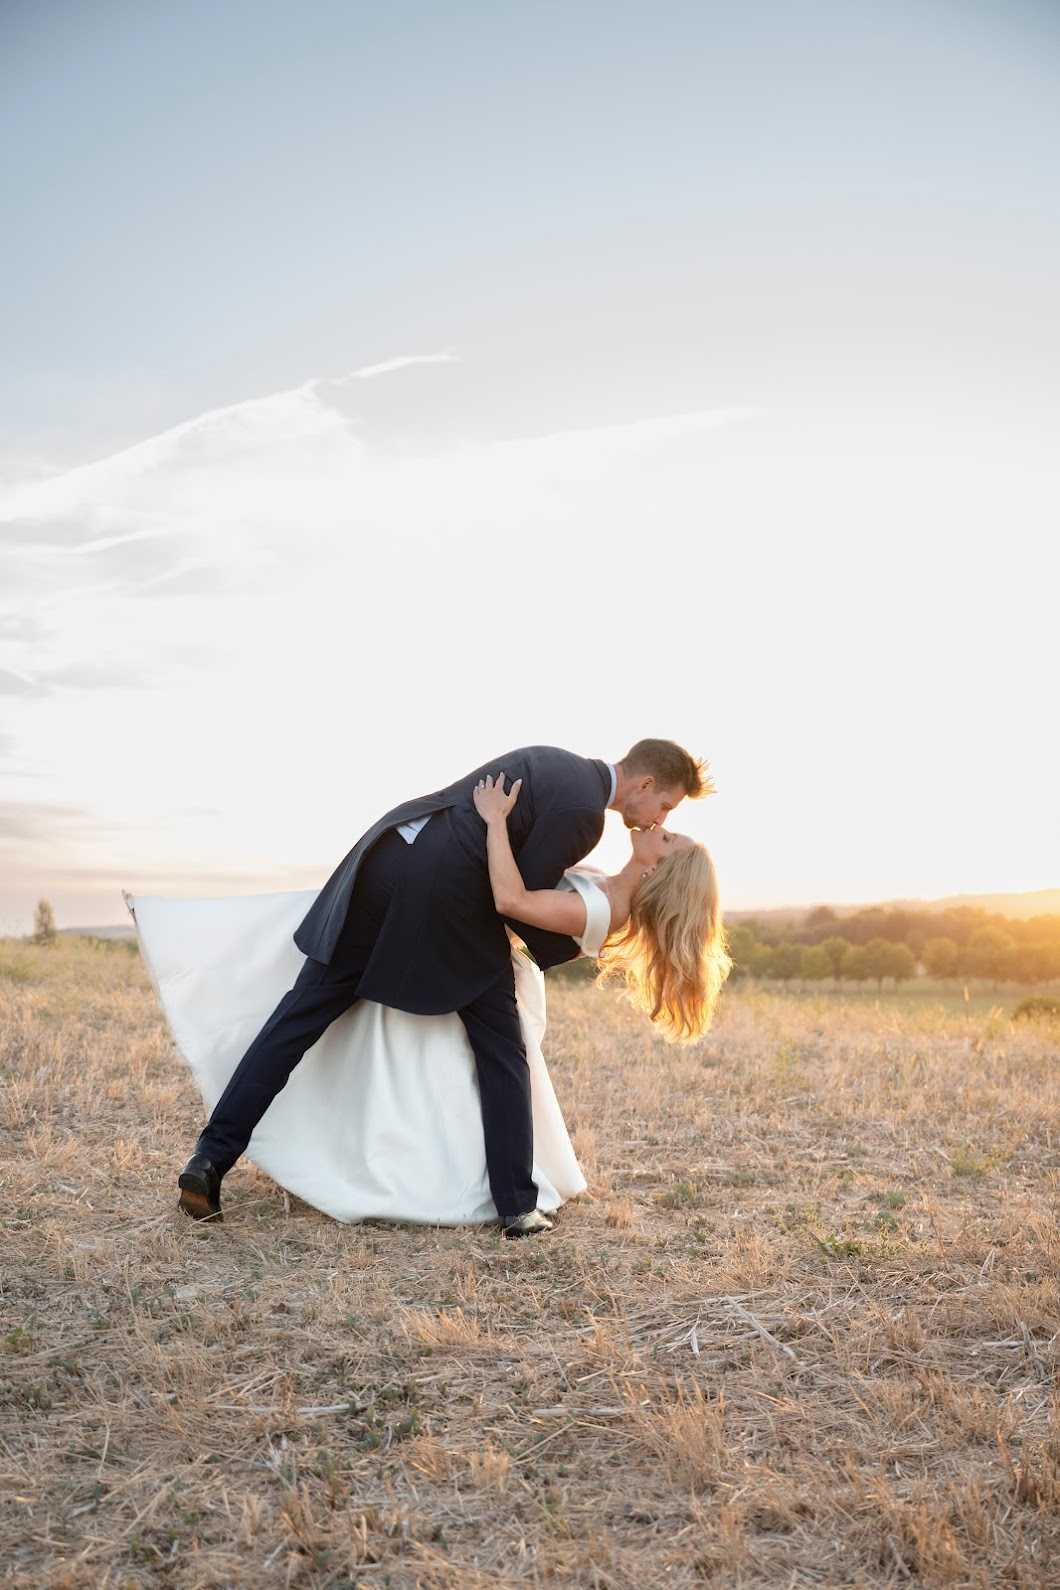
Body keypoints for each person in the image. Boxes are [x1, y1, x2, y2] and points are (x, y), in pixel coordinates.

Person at [167, 739, 712, 1236]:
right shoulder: (582, 815)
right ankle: (517, 1205)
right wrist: (560, 947)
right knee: (503, 1052)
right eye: (665, 806)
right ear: (643, 785)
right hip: (450, 897)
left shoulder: (555, 763)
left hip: (386, 858)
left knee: (297, 1020)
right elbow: (518, 900)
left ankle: (209, 1159)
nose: (659, 818)